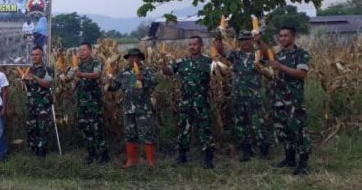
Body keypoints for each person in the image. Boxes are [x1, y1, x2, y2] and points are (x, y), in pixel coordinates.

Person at [216, 31, 270, 162]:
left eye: (248, 39)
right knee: (241, 124)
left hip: (254, 96)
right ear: (239, 42)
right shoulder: (235, 55)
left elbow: (266, 53)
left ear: (252, 41)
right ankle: (245, 150)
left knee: (258, 124)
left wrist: (259, 41)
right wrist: (218, 37)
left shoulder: (257, 55)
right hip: (238, 96)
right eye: (242, 40)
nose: (245, 42)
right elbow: (222, 52)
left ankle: (264, 150)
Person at [162, 36, 215, 168]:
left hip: (202, 102)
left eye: (195, 44)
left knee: (205, 130)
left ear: (201, 45)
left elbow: (219, 74)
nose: (192, 47)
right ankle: (182, 156)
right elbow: (168, 72)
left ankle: (208, 158)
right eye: (190, 44)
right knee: (184, 129)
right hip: (186, 102)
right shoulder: (182, 62)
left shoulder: (208, 62)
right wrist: (163, 60)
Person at [268, 25, 311, 175]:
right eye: (280, 36)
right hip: (278, 99)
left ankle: (303, 162)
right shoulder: (279, 55)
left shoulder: (301, 54)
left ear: (293, 37)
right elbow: (276, 75)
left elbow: (301, 73)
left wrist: (280, 66)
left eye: (285, 36)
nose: (282, 38)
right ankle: (289, 158)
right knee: (283, 130)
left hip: (293, 101)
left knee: (298, 131)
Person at [107, 48, 159, 168]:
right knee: (129, 134)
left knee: (147, 134)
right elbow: (114, 87)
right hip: (128, 109)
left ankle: (150, 161)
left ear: (140, 58)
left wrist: (143, 79)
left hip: (143, 109)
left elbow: (154, 83)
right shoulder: (124, 72)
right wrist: (109, 82)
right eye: (131, 57)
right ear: (128, 59)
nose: (133, 59)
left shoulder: (147, 71)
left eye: (136, 57)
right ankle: (131, 160)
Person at [61, 42, 108, 164]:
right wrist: (62, 76)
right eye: (79, 50)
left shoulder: (96, 63)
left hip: (93, 103)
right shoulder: (76, 66)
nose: (81, 52)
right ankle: (91, 154)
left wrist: (81, 74)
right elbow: (67, 78)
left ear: (90, 51)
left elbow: (96, 75)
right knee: (85, 129)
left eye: (84, 50)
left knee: (97, 129)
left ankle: (103, 155)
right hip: (81, 104)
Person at [22, 46, 54, 157]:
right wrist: (25, 81)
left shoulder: (47, 69)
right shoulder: (29, 69)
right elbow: (28, 88)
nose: (34, 57)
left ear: (42, 56)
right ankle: (32, 151)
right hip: (31, 104)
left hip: (43, 104)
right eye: (33, 55)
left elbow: (47, 84)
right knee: (31, 128)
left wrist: (35, 78)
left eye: (37, 55)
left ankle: (42, 153)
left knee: (43, 128)